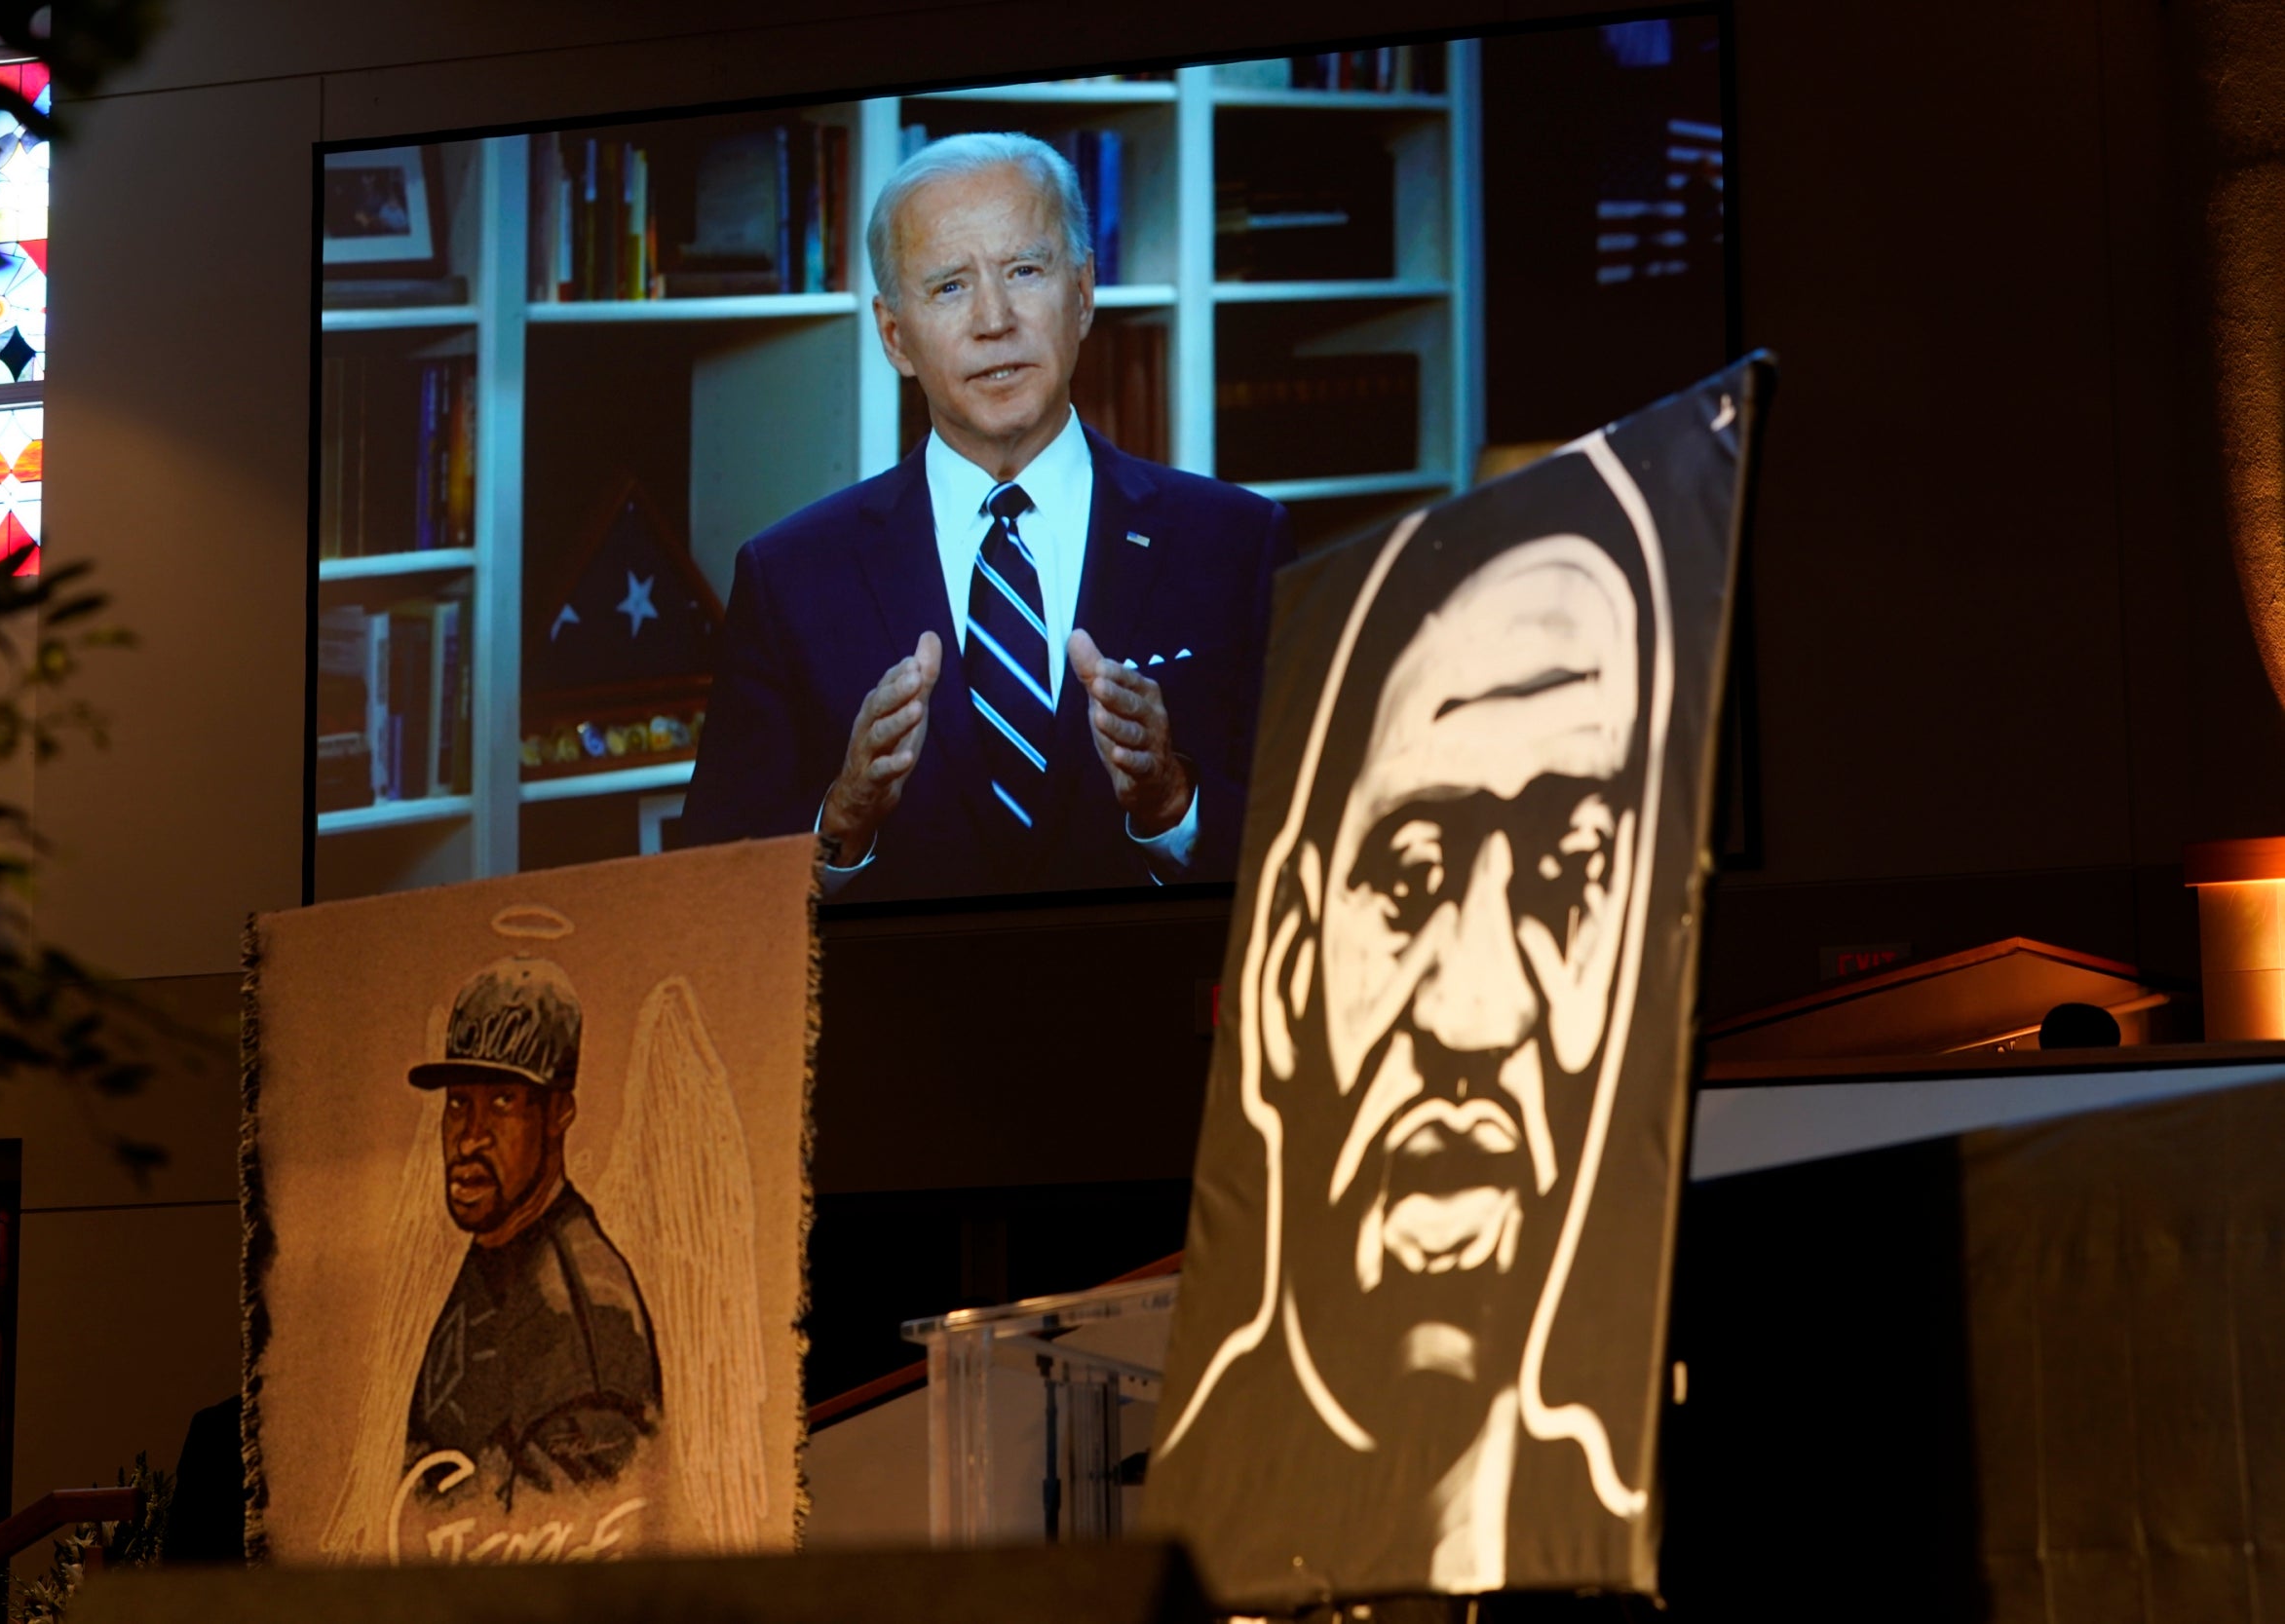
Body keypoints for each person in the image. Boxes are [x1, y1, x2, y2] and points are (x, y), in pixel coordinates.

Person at [1153, 517, 1663, 1595]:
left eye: (1566, 873)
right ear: (1287, 975)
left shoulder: (1613, 1504)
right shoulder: (1176, 1553)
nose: (1477, 1011)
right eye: (1413, 874)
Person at [676, 132, 1293, 899]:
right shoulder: (788, 577)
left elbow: (1312, 851)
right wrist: (845, 815)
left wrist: (1172, 801)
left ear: (1083, 293)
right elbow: (709, 893)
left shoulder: (1235, 543)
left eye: (1024, 271)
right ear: (895, 337)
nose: (994, 320)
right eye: (949, 287)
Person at [403, 957, 662, 1507]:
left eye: (502, 1102)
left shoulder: (584, 1309)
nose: (469, 1139)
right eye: (458, 1104)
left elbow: (569, 1551)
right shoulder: (494, 1257)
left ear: (559, 1112)